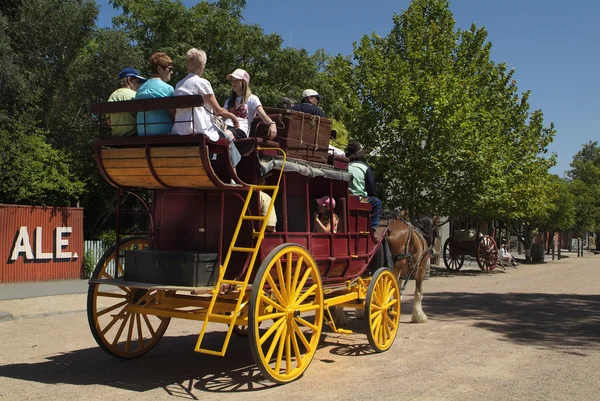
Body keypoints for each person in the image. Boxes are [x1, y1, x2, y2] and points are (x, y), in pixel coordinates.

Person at [171, 48, 242, 168]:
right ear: (201, 65)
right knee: (227, 138)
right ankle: (234, 176)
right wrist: (234, 117)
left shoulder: (179, 84)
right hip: (199, 129)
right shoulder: (203, 83)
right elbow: (218, 111)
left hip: (180, 130)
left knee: (219, 134)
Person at [222, 68, 277, 140]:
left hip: (240, 129)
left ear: (244, 82)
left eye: (236, 80)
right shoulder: (228, 101)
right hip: (225, 127)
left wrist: (272, 123)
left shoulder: (252, 99)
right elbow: (222, 117)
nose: (233, 83)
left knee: (226, 134)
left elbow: (263, 116)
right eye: (232, 80)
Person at [135, 52, 175, 136]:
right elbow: (174, 115)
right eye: (170, 69)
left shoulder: (140, 89)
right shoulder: (168, 89)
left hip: (142, 135)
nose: (172, 72)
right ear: (160, 69)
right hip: (164, 135)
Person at [345, 141, 381, 230]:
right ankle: (373, 227)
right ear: (360, 155)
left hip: (345, 199)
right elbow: (371, 188)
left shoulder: (345, 166)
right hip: (360, 200)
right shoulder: (365, 167)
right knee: (377, 202)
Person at [107, 67, 146, 137]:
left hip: (116, 137)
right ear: (129, 80)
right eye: (137, 81)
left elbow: (108, 121)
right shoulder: (134, 95)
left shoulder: (112, 96)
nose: (139, 85)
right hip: (134, 136)